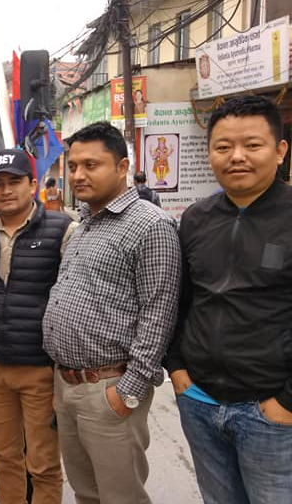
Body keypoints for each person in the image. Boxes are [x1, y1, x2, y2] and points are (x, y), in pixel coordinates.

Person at [43, 122, 181, 504]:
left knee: (121, 497)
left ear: (122, 167)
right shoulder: (84, 224)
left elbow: (158, 314)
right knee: (86, 493)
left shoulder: (150, 225)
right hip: (68, 385)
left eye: (91, 165)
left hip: (109, 390)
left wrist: (128, 391)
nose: (78, 175)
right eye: (73, 166)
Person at [165, 95, 292, 504]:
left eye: (252, 145)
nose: (237, 156)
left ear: (280, 150)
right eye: (223, 146)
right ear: (210, 154)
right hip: (199, 401)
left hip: (271, 412)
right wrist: (176, 368)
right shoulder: (196, 218)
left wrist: (286, 402)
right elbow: (181, 299)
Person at [0, 150, 74, 504]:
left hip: (41, 369)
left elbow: (72, 305)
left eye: (14, 182)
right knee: (4, 458)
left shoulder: (63, 231)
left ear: (32, 185)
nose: (5, 191)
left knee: (43, 463)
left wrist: (64, 370)